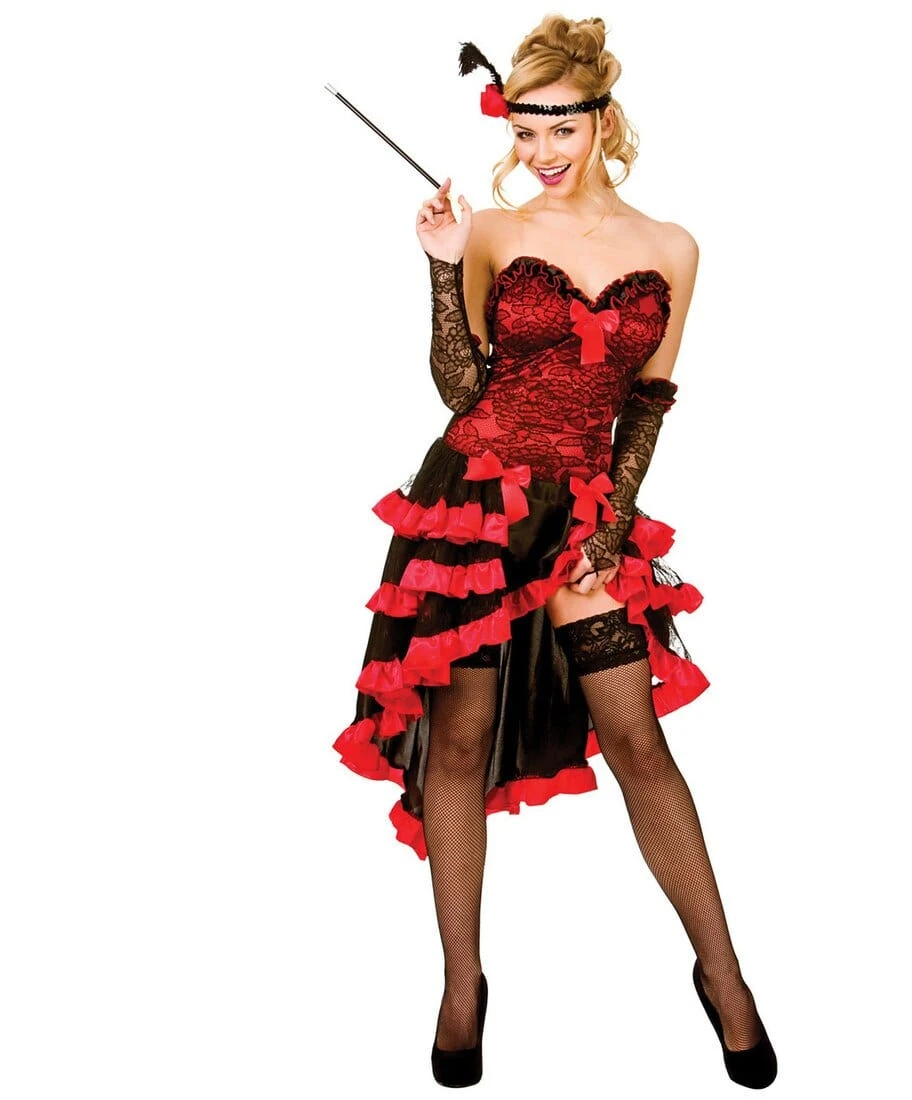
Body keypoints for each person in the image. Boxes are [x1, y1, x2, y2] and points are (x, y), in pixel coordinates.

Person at [332, 14, 777, 1090]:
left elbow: (648, 400)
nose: (540, 148)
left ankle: (723, 976)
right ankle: (462, 986)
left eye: (560, 126)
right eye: (523, 128)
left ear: (601, 121)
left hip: (583, 511)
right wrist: (441, 268)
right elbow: (460, 386)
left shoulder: (672, 247)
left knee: (636, 739)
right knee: (456, 740)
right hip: (476, 503)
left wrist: (613, 526)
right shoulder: (490, 229)